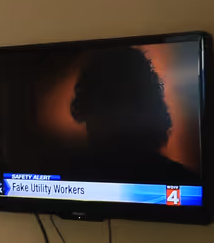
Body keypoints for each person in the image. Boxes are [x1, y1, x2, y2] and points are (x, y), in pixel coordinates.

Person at [67, 44, 201, 186]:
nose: (115, 118)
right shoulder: (66, 175)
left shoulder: (182, 182)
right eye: (105, 99)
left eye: (125, 99)